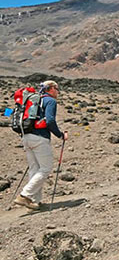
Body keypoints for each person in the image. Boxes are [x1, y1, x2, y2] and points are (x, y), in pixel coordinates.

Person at [14, 80, 68, 210]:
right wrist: (60, 135)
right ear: (51, 89)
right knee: (45, 169)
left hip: (26, 137)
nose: (58, 91)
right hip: (39, 138)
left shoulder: (32, 100)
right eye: (57, 88)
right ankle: (24, 195)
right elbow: (50, 120)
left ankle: (33, 201)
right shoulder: (50, 101)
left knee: (34, 168)